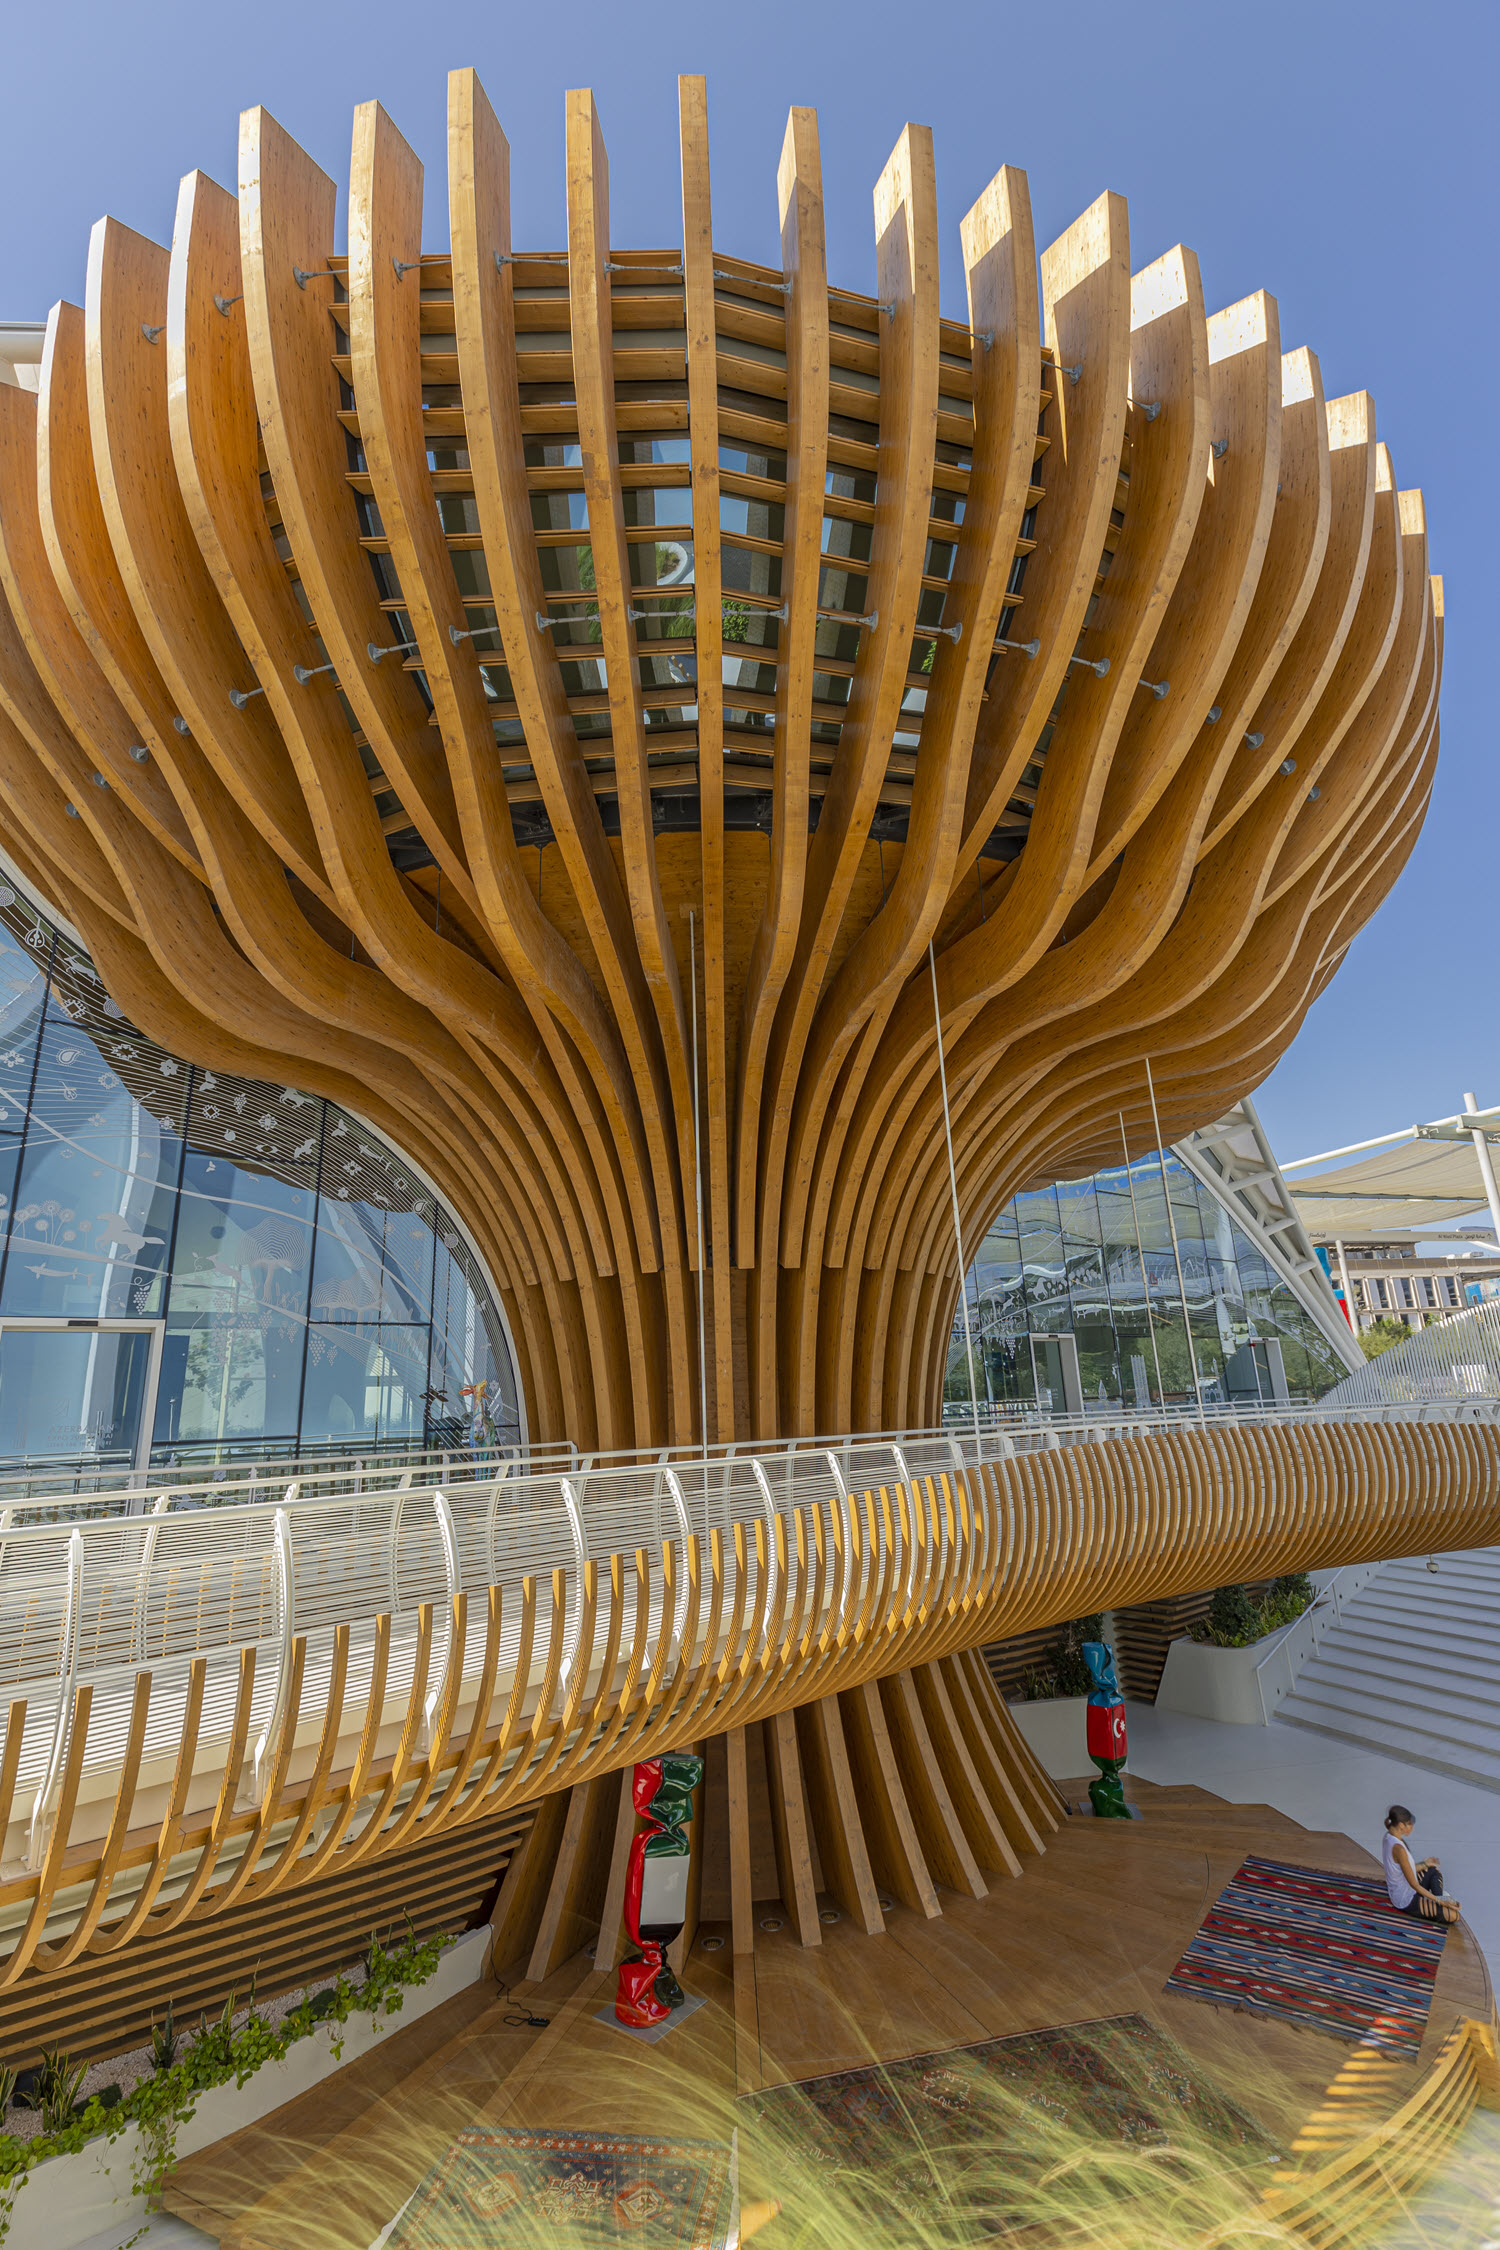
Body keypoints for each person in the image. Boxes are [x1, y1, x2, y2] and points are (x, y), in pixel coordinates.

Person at [1382, 1805, 1460, 1925]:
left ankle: (1439, 1899)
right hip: (1405, 1899)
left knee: (1433, 1869)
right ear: (1401, 1825)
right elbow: (1414, 1885)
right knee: (1453, 1916)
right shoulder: (1398, 1848)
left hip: (1407, 1887)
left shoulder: (1388, 1836)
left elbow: (1406, 1870)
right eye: (1410, 1825)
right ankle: (1440, 1900)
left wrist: (1425, 1864)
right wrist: (1441, 1901)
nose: (1412, 1829)